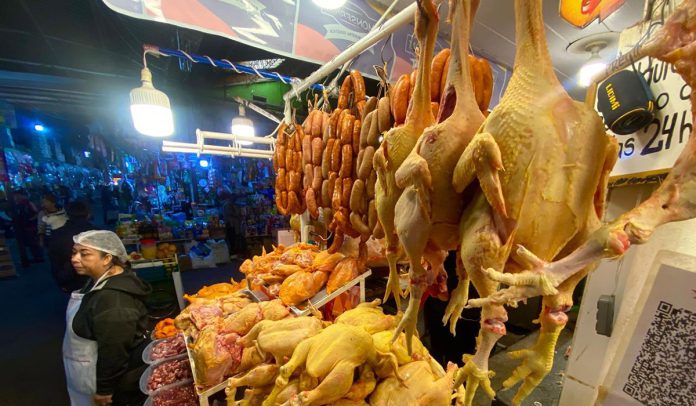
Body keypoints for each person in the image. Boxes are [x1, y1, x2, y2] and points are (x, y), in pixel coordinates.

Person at [64, 230, 151, 406]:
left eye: (84, 254)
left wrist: (104, 389)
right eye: (74, 252)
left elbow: (114, 349)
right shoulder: (99, 279)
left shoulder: (114, 301)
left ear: (107, 259)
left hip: (114, 378)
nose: (75, 259)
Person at [48, 201, 94, 292]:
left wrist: (61, 282)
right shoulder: (98, 233)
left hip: (69, 281)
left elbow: (55, 261)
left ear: (67, 215)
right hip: (94, 279)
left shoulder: (58, 234)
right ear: (88, 214)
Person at [11, 189, 43, 267]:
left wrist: (30, 220)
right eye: (15, 196)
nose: (15, 197)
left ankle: (38, 258)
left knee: (33, 243)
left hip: (31, 227)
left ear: (21, 195)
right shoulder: (18, 204)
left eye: (17, 196)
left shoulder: (28, 203)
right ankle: (36, 257)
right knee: (30, 243)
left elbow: (37, 213)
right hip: (25, 227)